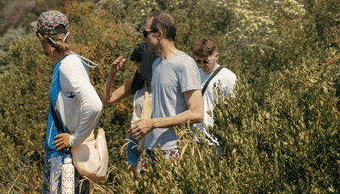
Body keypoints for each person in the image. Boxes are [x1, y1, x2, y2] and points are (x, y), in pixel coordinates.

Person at [26, 10, 103, 194]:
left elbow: (94, 104)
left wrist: (74, 138)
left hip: (66, 160)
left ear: (44, 38)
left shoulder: (69, 66)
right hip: (60, 159)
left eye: (39, 38)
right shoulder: (67, 63)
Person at [128, 12, 203, 166]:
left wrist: (153, 123)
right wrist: (145, 123)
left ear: (159, 34)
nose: (143, 38)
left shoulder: (184, 64)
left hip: (174, 150)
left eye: (146, 33)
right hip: (151, 149)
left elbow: (197, 113)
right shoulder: (156, 65)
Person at [101, 43, 156, 174]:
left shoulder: (162, 83)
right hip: (135, 139)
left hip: (153, 141)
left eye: (141, 67)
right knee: (136, 183)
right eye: (137, 67)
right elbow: (107, 100)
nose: (139, 71)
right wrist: (112, 74)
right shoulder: (136, 82)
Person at [192, 37, 238, 153]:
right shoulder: (195, 74)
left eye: (206, 61)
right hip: (196, 139)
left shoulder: (228, 77)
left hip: (218, 141)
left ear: (216, 56)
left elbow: (235, 110)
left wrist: (233, 141)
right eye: (199, 61)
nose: (202, 65)